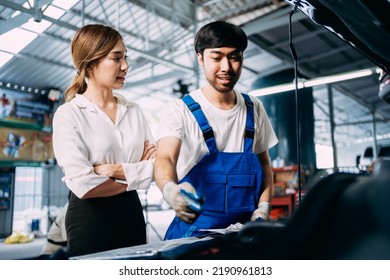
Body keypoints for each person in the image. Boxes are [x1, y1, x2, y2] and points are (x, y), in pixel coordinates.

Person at [154, 20, 278, 240]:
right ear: (200, 58)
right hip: (193, 234)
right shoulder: (180, 110)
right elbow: (165, 158)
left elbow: (264, 165)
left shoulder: (254, 108)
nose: (226, 67)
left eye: (234, 57)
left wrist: (264, 206)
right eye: (216, 57)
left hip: (244, 232)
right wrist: (170, 190)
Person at [52, 24, 156, 257]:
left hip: (132, 215)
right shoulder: (69, 115)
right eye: (116, 58)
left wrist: (114, 170)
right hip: (91, 220)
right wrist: (137, 174)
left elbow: (156, 165)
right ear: (90, 64)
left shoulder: (134, 110)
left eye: (125, 57)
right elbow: (84, 185)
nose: (125, 66)